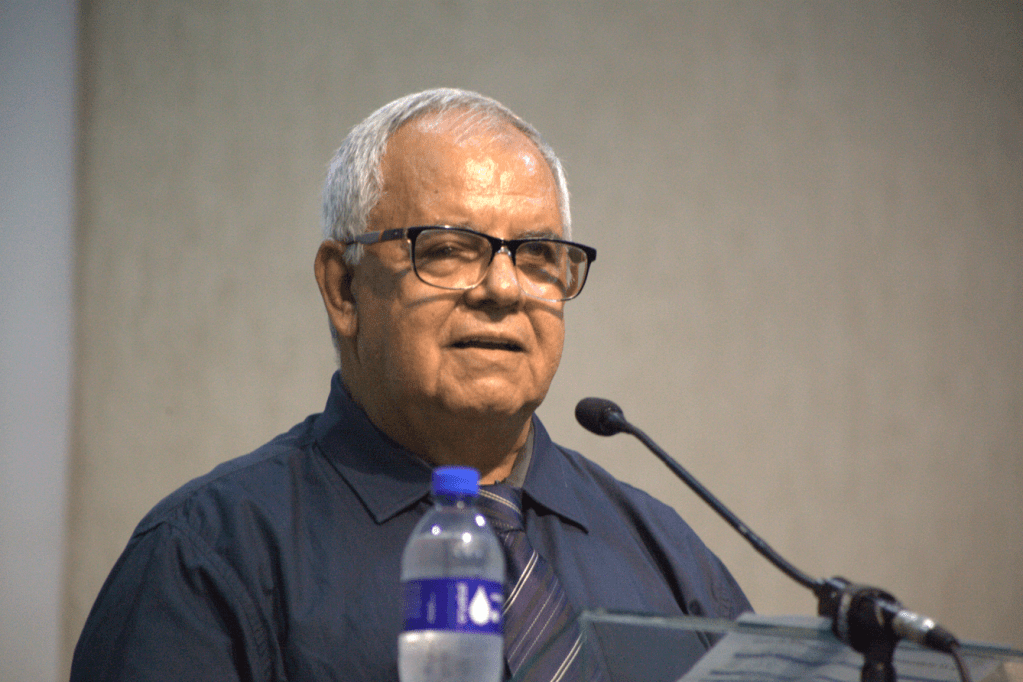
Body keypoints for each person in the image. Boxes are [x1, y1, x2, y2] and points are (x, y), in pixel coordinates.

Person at [70, 88, 750, 681]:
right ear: (343, 288)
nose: (504, 288)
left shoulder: (668, 559)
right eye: (449, 249)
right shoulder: (206, 557)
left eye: (538, 255)